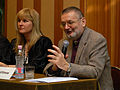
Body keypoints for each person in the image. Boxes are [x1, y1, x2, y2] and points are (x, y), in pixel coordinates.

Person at [44, 6, 114, 90]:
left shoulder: (97, 40)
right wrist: (55, 68)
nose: (66, 27)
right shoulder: (63, 42)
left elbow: (95, 72)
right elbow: (48, 69)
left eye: (70, 22)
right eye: (63, 24)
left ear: (83, 22)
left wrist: (68, 66)